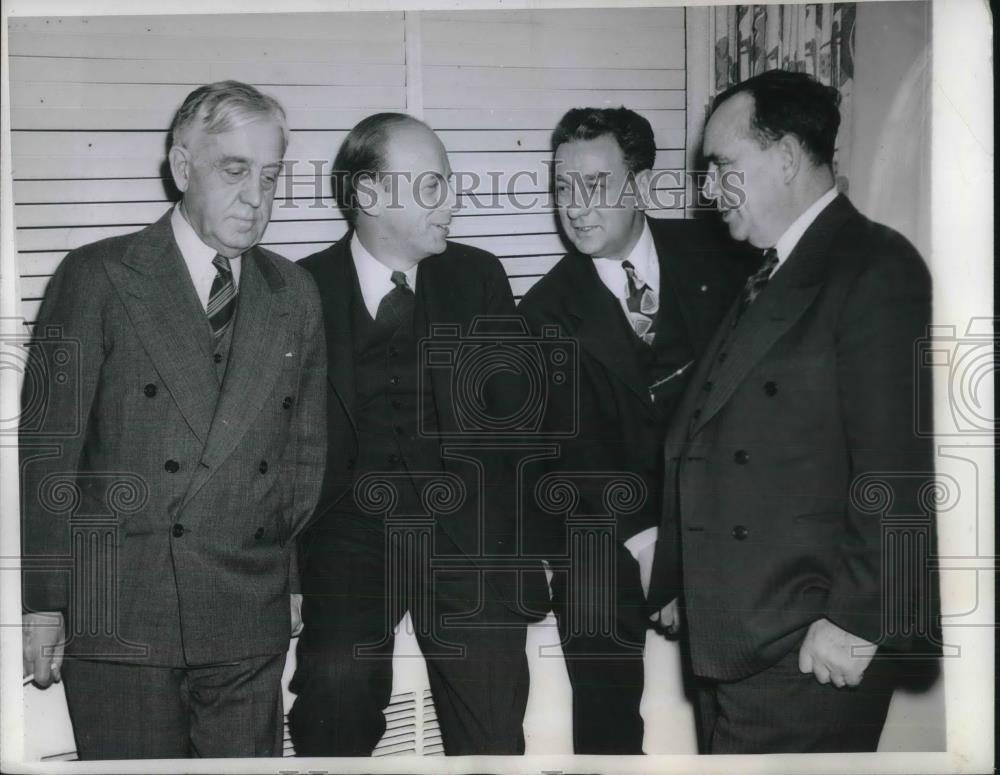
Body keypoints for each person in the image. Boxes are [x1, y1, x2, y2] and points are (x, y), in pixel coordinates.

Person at [19, 80, 327, 759]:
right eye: (235, 170)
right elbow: (49, 451)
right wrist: (44, 601)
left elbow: (301, 454)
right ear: (183, 167)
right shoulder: (96, 275)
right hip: (124, 607)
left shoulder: (293, 292)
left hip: (246, 610)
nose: (257, 196)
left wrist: (293, 576)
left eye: (270, 176)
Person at [647, 69, 935, 753]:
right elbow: (712, 438)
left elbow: (899, 465)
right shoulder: (769, 270)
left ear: (782, 160)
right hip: (740, 639)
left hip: (808, 653)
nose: (708, 188)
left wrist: (857, 622)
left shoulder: (876, 266)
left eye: (722, 166)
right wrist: (685, 580)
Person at [288, 112, 548, 756]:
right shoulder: (301, 290)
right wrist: (288, 574)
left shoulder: (478, 277)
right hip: (350, 534)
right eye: (433, 186)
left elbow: (516, 427)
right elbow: (278, 448)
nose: (451, 202)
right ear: (370, 196)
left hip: (466, 533)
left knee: (493, 731)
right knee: (333, 700)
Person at [517, 107, 748, 754]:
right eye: (564, 186)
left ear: (643, 187)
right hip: (607, 517)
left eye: (596, 184)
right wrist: (654, 549)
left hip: (716, 501)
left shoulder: (720, 256)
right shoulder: (542, 312)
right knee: (590, 589)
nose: (576, 206)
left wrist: (693, 543)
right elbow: (573, 460)